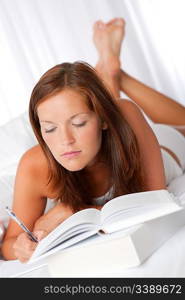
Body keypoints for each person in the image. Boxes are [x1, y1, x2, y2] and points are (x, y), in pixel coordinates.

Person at [2, 18, 185, 262]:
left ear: (103, 120)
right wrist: (20, 248)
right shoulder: (35, 165)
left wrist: (73, 211)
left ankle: (115, 74)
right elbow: (9, 245)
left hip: (164, 151)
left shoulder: (125, 115)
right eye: (50, 128)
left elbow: (154, 204)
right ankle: (110, 71)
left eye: (78, 124)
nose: (65, 140)